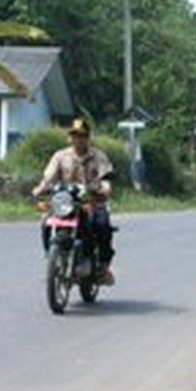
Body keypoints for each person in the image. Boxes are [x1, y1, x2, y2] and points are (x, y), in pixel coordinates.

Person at [32, 118, 116, 284]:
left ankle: (103, 267)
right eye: (75, 135)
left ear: (88, 137)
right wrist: (39, 189)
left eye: (82, 136)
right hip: (66, 202)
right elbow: (48, 178)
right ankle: (52, 260)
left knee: (102, 226)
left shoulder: (98, 156)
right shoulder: (60, 156)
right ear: (70, 137)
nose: (78, 139)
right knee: (45, 223)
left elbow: (106, 178)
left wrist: (105, 188)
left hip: (92, 201)